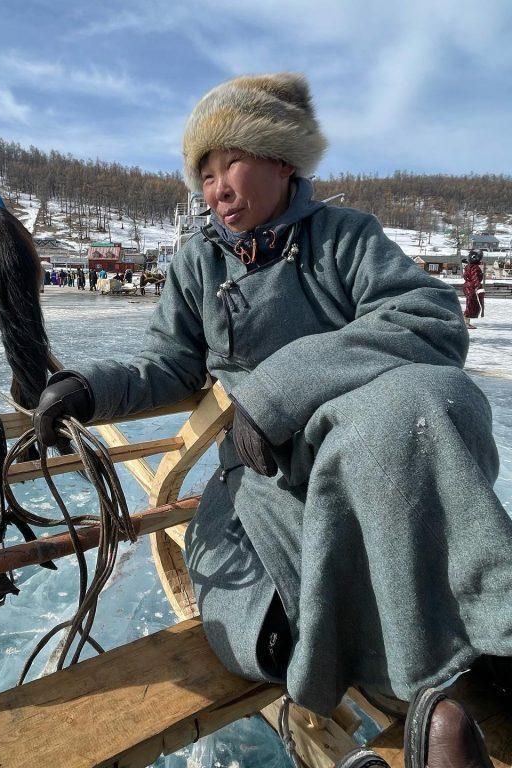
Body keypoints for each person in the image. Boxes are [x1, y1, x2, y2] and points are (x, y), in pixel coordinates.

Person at [33, 73, 512, 768]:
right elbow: (170, 364)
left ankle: (448, 690)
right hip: (266, 479)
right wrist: (86, 388)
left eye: (231, 161)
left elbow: (426, 317)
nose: (215, 187)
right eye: (203, 173)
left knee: (416, 403)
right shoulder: (198, 261)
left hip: (369, 457)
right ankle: (427, 695)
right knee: (258, 630)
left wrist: (277, 391)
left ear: (283, 160)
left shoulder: (343, 237)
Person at [463, 250, 484, 329]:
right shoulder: (475, 267)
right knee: (471, 304)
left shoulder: (468, 266)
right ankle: (465, 322)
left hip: (467, 286)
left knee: (470, 303)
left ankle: (466, 321)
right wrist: (478, 287)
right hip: (471, 287)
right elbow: (475, 278)